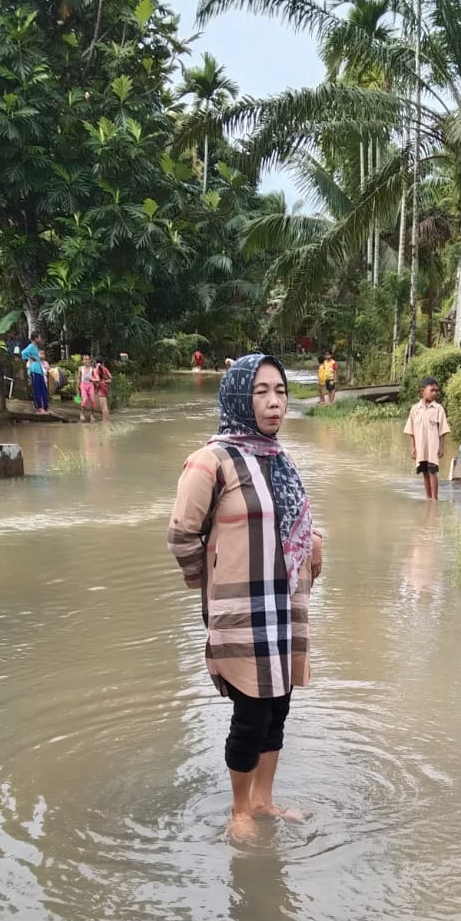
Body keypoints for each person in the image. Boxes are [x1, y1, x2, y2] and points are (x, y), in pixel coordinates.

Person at [167, 353, 323, 840]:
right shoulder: (210, 461)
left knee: (279, 707)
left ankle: (263, 801)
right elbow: (181, 536)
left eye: (281, 391)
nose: (275, 402)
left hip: (284, 609)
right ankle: (239, 811)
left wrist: (313, 548)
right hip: (241, 614)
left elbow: (297, 525)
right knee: (251, 714)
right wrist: (212, 589)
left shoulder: (280, 459)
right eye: (262, 392)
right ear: (238, 396)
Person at [404, 377, 451, 499]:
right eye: (432, 390)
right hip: (421, 446)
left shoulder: (438, 409)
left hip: (433, 446)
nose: (435, 393)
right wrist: (413, 447)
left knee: (432, 471)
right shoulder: (415, 409)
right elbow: (411, 430)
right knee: (424, 472)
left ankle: (435, 499)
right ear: (423, 391)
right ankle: (428, 498)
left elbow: (443, 430)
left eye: (437, 391)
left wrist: (441, 447)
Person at [24, 343, 50, 414]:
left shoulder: (45, 363)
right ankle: (39, 408)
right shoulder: (32, 362)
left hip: (44, 379)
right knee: (38, 392)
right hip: (36, 376)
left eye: (43, 354)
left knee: (44, 393)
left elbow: (48, 370)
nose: (42, 355)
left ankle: (45, 408)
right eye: (40, 354)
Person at [78, 354, 97, 422]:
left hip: (90, 385)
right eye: (85, 359)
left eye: (88, 359)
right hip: (83, 385)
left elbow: (95, 378)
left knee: (93, 400)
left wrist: (95, 385)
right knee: (85, 399)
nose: (87, 361)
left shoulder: (92, 369)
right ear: (82, 361)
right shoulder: (80, 368)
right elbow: (79, 378)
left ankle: (92, 415)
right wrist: (77, 387)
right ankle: (82, 413)